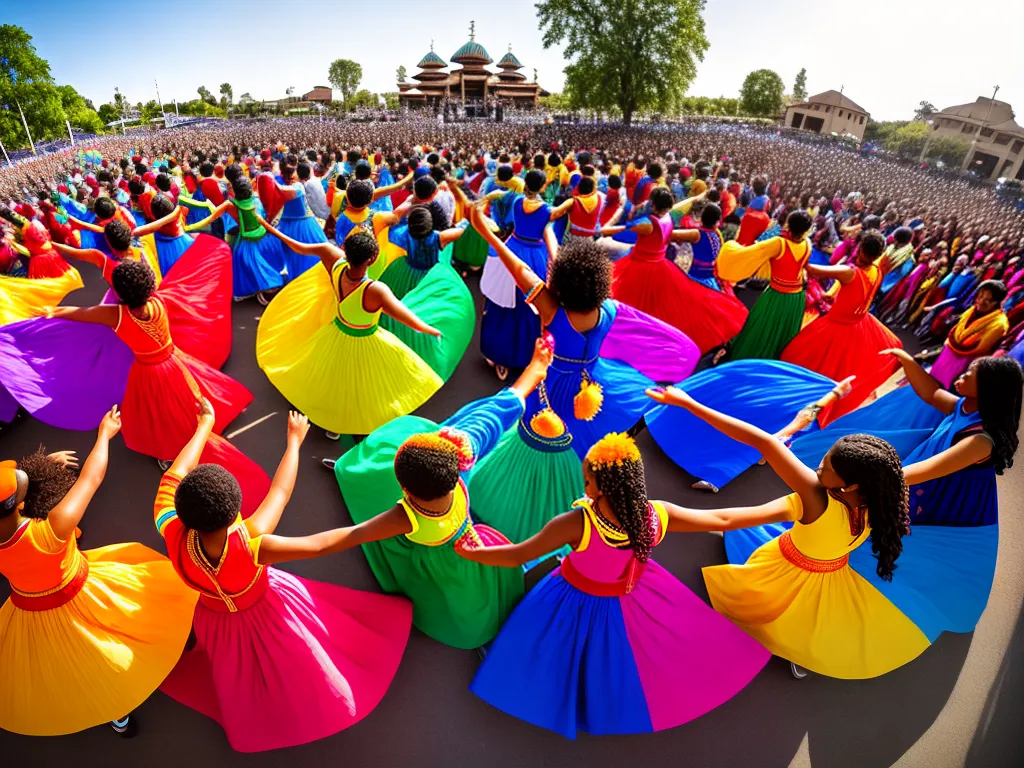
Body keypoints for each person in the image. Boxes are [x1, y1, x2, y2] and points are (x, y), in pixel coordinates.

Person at [648, 385, 998, 680]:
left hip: (784, 568)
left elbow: (758, 459)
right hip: (829, 578)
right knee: (809, 623)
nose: (819, 465)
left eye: (827, 464)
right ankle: (801, 651)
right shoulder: (881, 503)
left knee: (755, 604)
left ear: (851, 483)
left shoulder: (814, 499)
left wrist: (689, 404)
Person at [460, 432, 769, 738]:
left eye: (587, 481)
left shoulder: (575, 523)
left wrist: (472, 551)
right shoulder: (657, 515)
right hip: (631, 594)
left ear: (601, 488)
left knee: (540, 635)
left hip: (572, 595)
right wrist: (781, 509)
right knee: (612, 654)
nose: (585, 486)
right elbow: (723, 520)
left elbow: (517, 556)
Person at [154, 402, 412, 753]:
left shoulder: (169, 527)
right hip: (270, 609)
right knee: (300, 656)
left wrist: (203, 426)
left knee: (235, 675)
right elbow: (289, 506)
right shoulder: (252, 542)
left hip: (216, 621)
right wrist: (294, 442)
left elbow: (176, 473)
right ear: (234, 514)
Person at [466, 204, 698, 541]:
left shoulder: (552, 311)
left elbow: (517, 268)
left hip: (552, 387)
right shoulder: (608, 310)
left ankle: (529, 506)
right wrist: (550, 240)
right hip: (594, 383)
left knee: (534, 442)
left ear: (560, 283)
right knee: (577, 446)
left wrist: (488, 233)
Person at [328, 341, 553, 648]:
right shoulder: (463, 453)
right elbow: (498, 410)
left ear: (403, 489)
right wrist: (534, 370)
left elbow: (353, 535)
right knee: (470, 598)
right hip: (466, 550)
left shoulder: (402, 517)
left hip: (432, 555)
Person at [0, 257, 268, 504]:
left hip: (151, 372)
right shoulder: (158, 300)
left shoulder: (117, 315)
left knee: (161, 413)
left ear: (120, 294)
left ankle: (170, 451)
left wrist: (51, 312)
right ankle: (206, 421)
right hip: (174, 360)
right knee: (187, 396)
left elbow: (80, 312)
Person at [0, 407, 197, 737]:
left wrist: (43, 467)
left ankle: (115, 714)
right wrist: (104, 435)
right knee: (128, 632)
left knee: (76, 670)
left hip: (30, 614)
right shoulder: (51, 531)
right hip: (85, 593)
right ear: (21, 505)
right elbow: (91, 478)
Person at [255, 230, 444, 439]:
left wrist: (271, 229)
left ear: (345, 251)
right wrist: (428, 328)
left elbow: (298, 246)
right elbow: (404, 316)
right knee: (358, 384)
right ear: (372, 259)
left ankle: (330, 422)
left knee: (331, 377)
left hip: (335, 332)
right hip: (363, 341)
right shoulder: (376, 290)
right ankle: (344, 424)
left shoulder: (334, 262)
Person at [780, 230, 903, 422]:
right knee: (838, 370)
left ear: (860, 248)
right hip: (860, 324)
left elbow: (812, 270)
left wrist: (798, 247)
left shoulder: (850, 272)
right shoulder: (877, 271)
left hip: (837, 325)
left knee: (805, 357)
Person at [478, 168, 572, 380]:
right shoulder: (547, 210)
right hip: (533, 256)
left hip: (512, 249)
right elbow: (561, 211)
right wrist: (573, 200)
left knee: (501, 305)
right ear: (542, 186)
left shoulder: (517, 202)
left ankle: (499, 355)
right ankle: (526, 356)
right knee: (532, 306)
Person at [717, 209, 814, 360]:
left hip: (777, 295)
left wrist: (730, 248)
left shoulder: (779, 243)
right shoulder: (808, 244)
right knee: (783, 333)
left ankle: (748, 360)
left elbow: (751, 253)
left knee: (760, 327)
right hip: (796, 298)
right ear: (807, 229)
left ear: (788, 224)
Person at [927, 280, 1009, 388]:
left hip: (964, 362)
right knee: (929, 383)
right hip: (947, 355)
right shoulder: (972, 310)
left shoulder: (1000, 324)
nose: (980, 302)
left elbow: (979, 348)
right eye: (979, 297)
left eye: (988, 300)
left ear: (997, 302)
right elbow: (956, 329)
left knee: (943, 391)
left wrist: (951, 343)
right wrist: (950, 343)